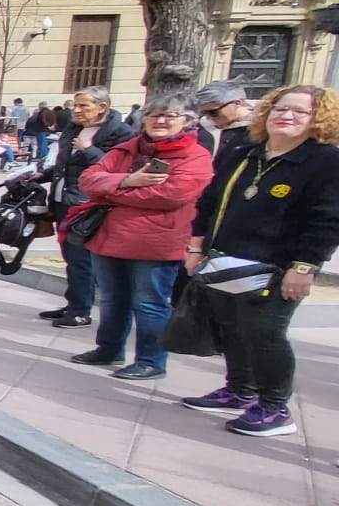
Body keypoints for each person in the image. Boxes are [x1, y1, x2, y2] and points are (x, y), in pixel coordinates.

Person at [183, 85, 339, 437]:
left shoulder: (326, 161)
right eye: (280, 108)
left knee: (265, 334)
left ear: (318, 119)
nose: (287, 116)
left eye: (301, 112)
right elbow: (210, 202)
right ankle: (239, 389)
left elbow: (327, 220)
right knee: (232, 329)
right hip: (226, 260)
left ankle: (274, 408)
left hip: (277, 267)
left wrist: (304, 267)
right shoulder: (244, 152)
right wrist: (196, 247)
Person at [64, 93, 213, 381]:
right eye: (154, 114)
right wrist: (127, 181)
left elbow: (172, 194)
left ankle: (151, 360)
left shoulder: (195, 155)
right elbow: (89, 179)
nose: (160, 120)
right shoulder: (128, 148)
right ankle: (108, 349)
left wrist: (112, 191)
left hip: (155, 242)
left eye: (169, 115)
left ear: (187, 121)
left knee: (149, 302)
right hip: (109, 237)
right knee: (111, 299)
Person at [36, 87, 135, 328]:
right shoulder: (72, 128)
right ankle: (73, 303)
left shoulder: (121, 133)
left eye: (83, 106)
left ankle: (81, 311)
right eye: (75, 105)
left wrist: (88, 148)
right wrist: (40, 176)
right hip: (63, 200)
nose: (76, 110)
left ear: (102, 107)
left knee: (82, 260)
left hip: (88, 205)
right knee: (71, 258)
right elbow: (64, 164)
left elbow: (117, 169)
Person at [194, 81, 253, 168]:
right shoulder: (200, 127)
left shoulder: (262, 129)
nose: (207, 117)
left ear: (237, 103)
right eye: (203, 112)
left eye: (213, 112)